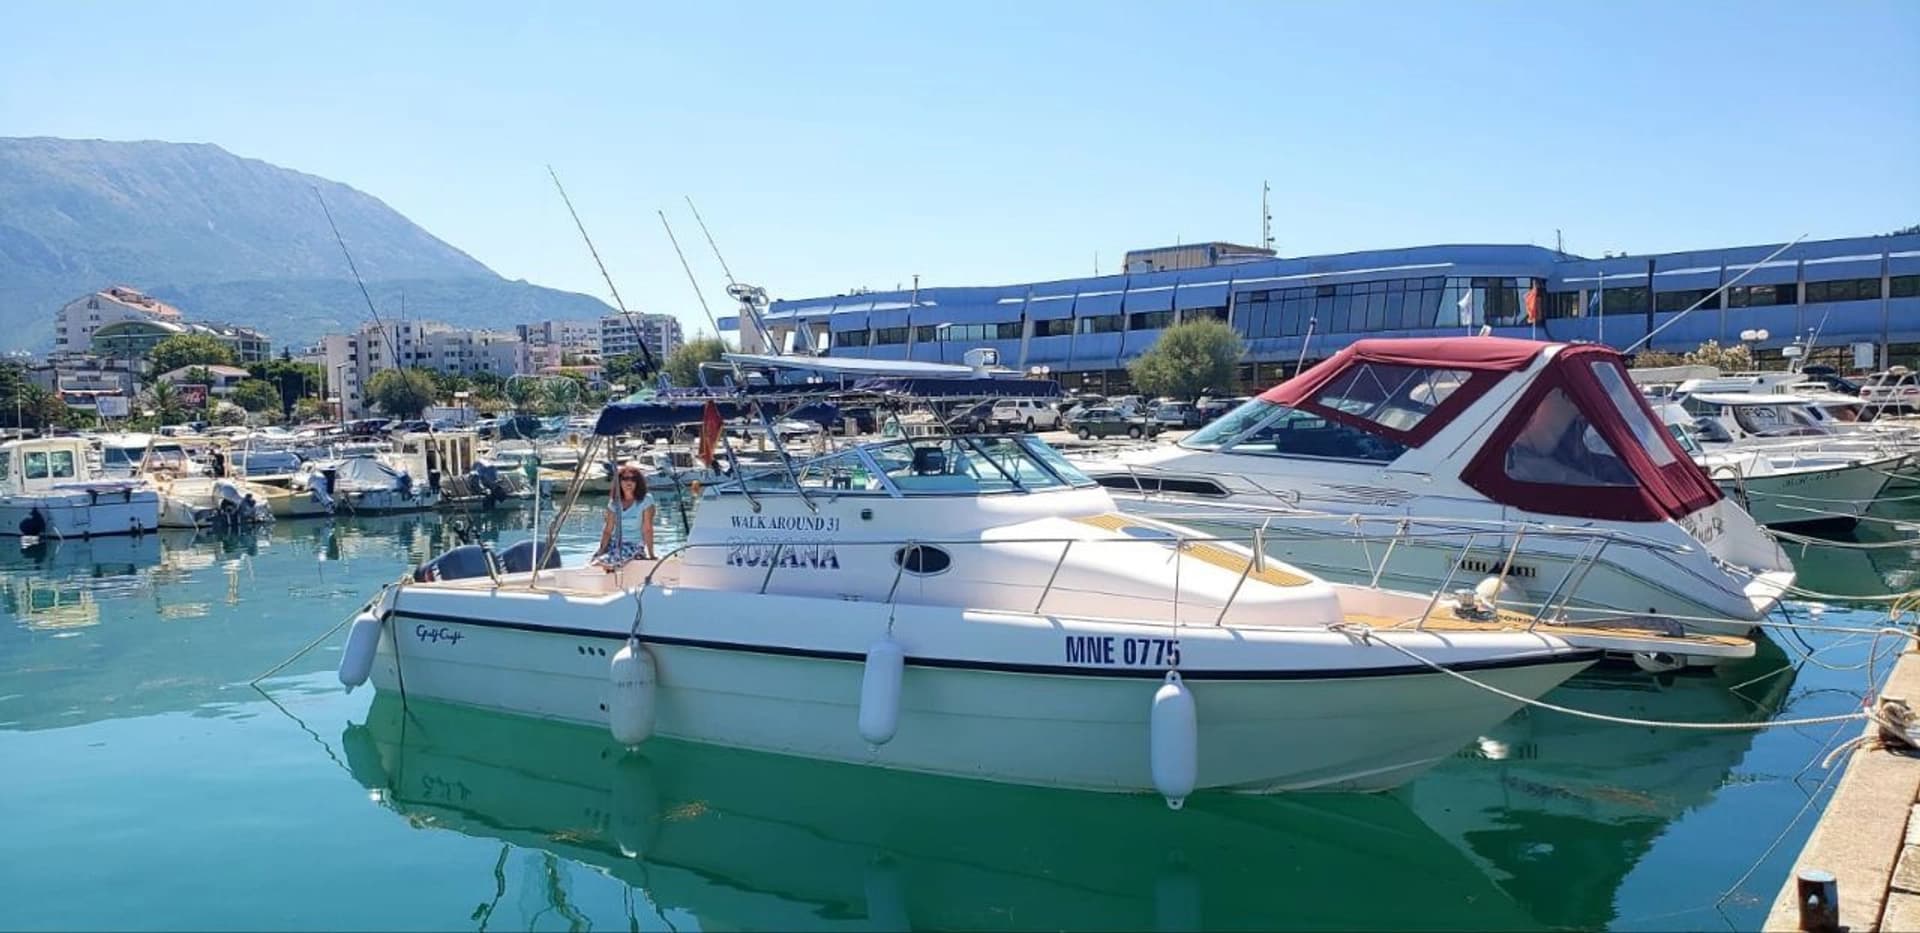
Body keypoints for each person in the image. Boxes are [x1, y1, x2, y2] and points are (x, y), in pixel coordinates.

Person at [592, 464, 656, 571]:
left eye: (633, 479)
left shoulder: (646, 500)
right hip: (614, 544)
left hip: (633, 545)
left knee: (605, 562)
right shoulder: (614, 503)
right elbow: (608, 530)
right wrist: (601, 550)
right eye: (625, 479)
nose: (628, 482)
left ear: (638, 482)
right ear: (619, 482)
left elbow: (647, 529)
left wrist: (651, 554)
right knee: (594, 562)